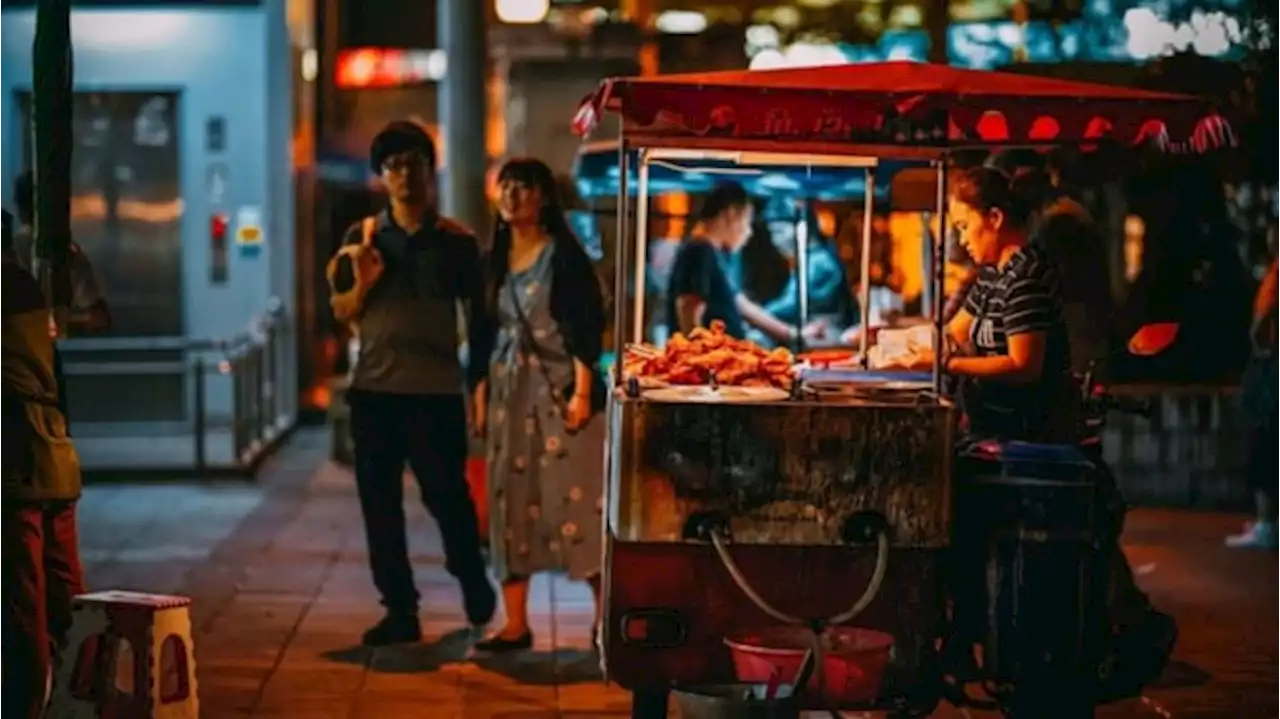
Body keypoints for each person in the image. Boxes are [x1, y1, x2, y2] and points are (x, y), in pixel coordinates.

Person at [327, 121, 496, 646]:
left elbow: (483, 318)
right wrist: (367, 279)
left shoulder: (458, 242)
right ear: (381, 175)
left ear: (429, 169)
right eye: (394, 165)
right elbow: (340, 309)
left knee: (448, 498)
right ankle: (400, 609)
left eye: (414, 163)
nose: (405, 174)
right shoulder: (362, 238)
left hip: (436, 392)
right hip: (374, 392)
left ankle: (471, 579)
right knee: (380, 507)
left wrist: (479, 384)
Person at [471, 158, 607, 652]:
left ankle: (602, 622)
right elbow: (482, 335)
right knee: (510, 501)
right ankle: (514, 623)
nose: (511, 195)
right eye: (505, 185)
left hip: (560, 392)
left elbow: (586, 329)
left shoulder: (565, 259)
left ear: (543, 197)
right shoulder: (492, 262)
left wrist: (584, 394)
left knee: (579, 501)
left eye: (523, 187)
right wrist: (480, 394)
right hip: (510, 394)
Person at [0, 208, 86, 718]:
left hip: (16, 465)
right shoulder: (28, 287)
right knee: (65, 598)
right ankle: (84, 696)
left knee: (21, 604)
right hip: (53, 456)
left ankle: (24, 709)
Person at [11, 170, 112, 424]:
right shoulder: (67, 254)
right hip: (45, 369)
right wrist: (54, 325)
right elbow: (99, 319)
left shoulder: (9, 250)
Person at [666, 183, 813, 344]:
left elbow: (742, 305)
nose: (748, 233)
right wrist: (695, 358)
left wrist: (791, 333)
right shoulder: (699, 250)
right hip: (713, 362)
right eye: (747, 221)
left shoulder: (715, 254)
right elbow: (689, 307)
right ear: (731, 214)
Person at [1228, 225, 1280, 550]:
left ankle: (1266, 523)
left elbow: (1267, 314)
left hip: (1272, 365)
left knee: (1263, 440)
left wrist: (1260, 341)